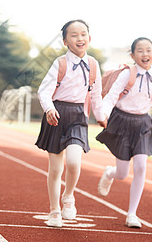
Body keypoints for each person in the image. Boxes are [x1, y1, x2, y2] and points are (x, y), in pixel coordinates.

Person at [96, 37, 152, 229]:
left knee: (141, 167)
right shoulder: (127, 74)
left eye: (148, 50)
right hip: (121, 122)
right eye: (140, 51)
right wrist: (103, 114)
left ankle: (131, 214)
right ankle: (110, 174)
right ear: (132, 55)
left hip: (143, 124)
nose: (145, 54)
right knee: (122, 173)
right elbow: (111, 97)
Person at [36, 20, 105, 227]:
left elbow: (96, 94)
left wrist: (100, 116)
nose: (80, 38)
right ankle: (54, 210)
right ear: (65, 41)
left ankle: (68, 196)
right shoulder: (60, 63)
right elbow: (44, 91)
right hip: (56, 114)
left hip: (78, 116)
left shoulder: (93, 65)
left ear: (89, 38)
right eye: (74, 35)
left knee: (74, 162)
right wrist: (49, 109)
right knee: (56, 169)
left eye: (83, 34)